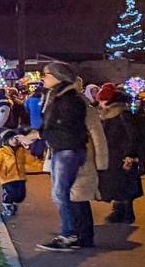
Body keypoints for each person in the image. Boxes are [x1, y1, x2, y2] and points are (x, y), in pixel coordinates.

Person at [39, 62, 106, 251]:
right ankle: (80, 236)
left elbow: (96, 134)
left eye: (46, 74)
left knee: (76, 196)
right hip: (68, 152)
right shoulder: (54, 98)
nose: (43, 78)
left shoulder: (77, 103)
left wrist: (101, 162)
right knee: (73, 196)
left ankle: (78, 236)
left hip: (79, 155)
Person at [95, 83, 145, 223]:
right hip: (112, 154)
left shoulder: (122, 114)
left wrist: (130, 155)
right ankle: (120, 211)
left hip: (121, 155)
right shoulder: (109, 114)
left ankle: (123, 212)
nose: (101, 104)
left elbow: (134, 135)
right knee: (117, 184)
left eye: (103, 100)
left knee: (123, 184)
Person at [0, 130, 31, 218]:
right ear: (7, 140)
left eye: (16, 139)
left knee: (20, 196)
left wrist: (41, 166)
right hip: (7, 178)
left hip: (20, 177)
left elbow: (31, 161)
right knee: (10, 193)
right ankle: (7, 206)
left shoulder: (21, 151)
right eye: (12, 139)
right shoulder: (2, 152)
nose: (15, 141)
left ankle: (13, 204)